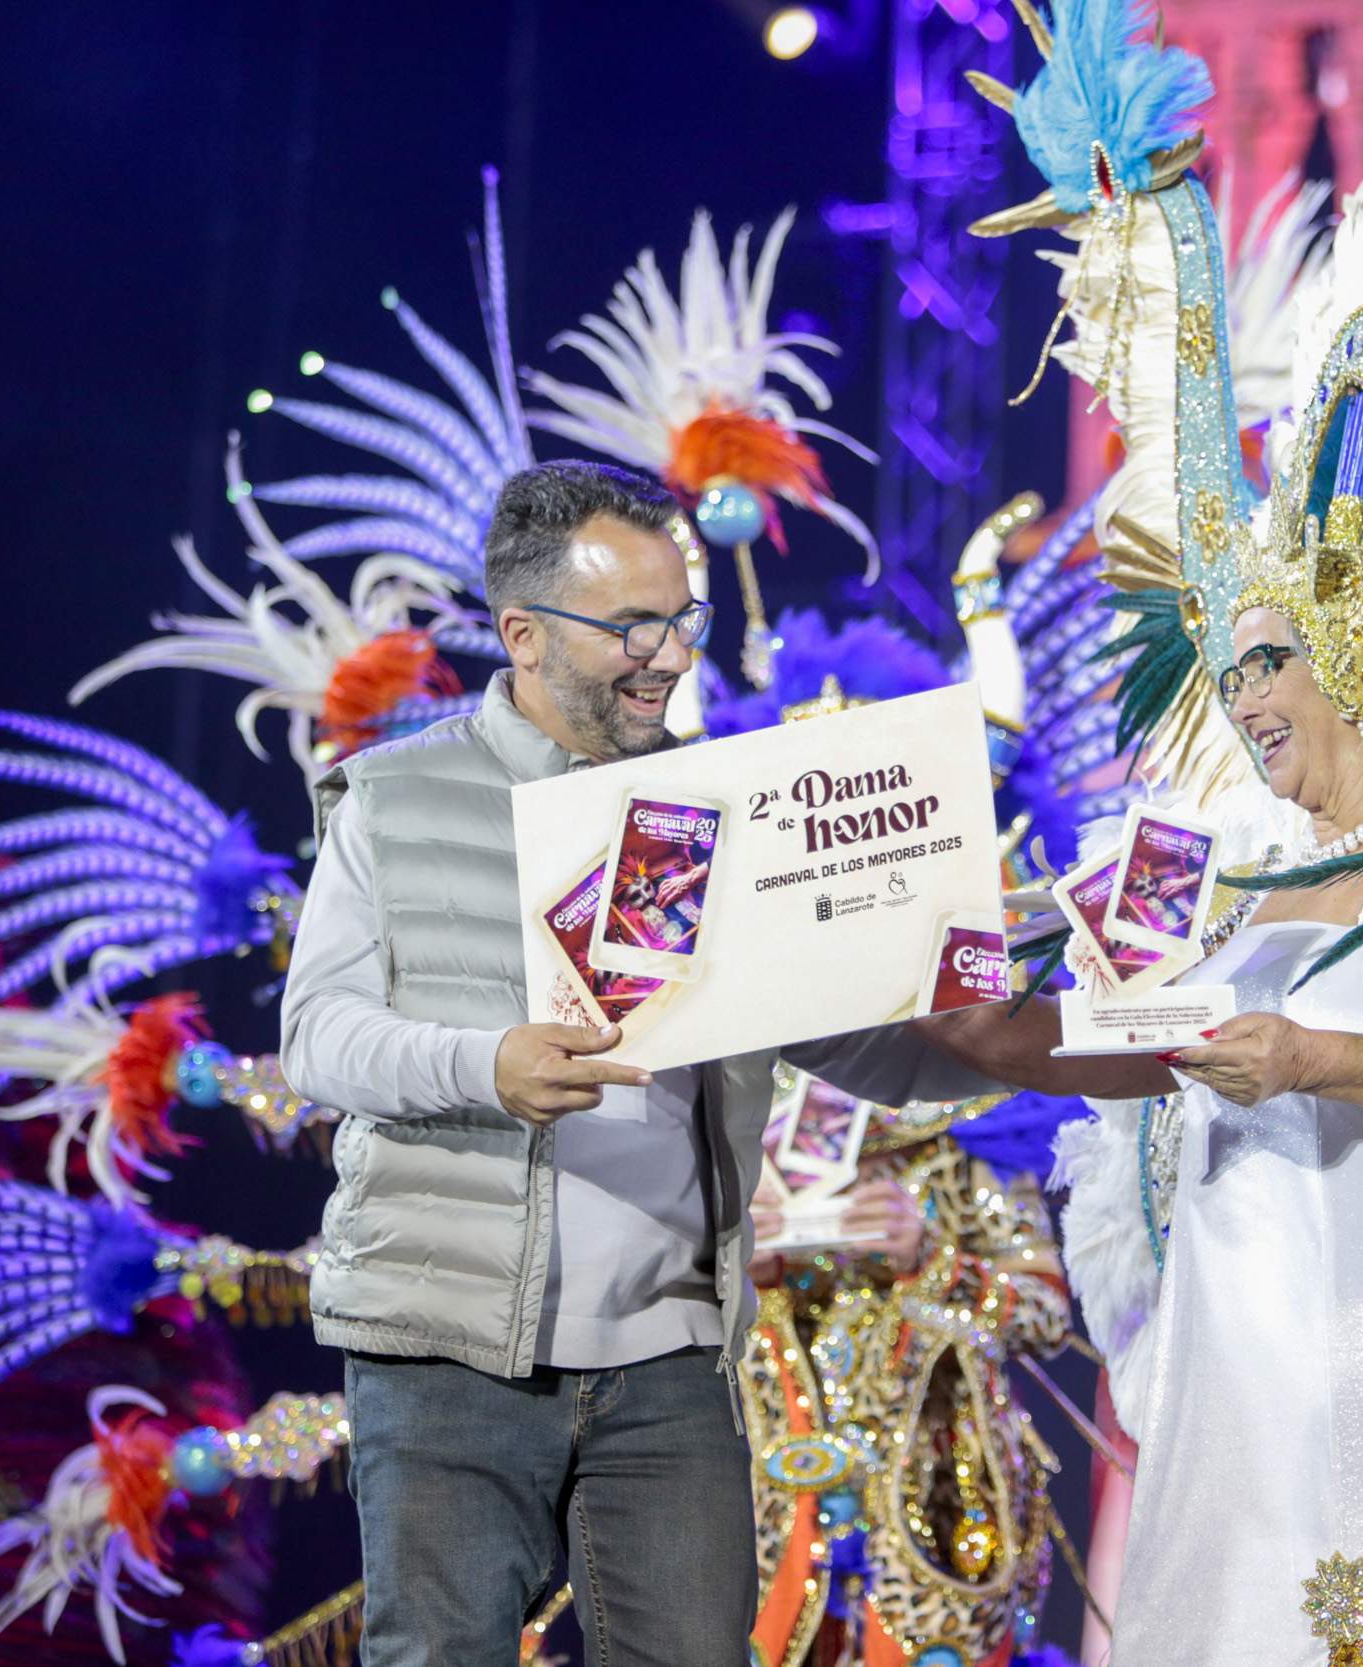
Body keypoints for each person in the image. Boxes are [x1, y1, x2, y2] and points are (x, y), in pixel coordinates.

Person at [278, 459, 994, 1667]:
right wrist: (485, 1061)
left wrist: (976, 996)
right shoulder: (394, 800)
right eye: (633, 626)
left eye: (683, 619)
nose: (668, 653)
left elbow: (859, 1038)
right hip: (450, 1350)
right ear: (522, 632)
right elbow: (318, 1034)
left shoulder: (719, 808)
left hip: (668, 1360)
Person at [916, 604, 1363, 1666]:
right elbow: (1145, 1048)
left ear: (1359, 666)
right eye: (1230, 676)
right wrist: (982, 1028)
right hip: (1253, 1353)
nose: (1239, 702)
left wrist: (1310, 1059)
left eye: (1268, 665)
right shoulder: (1241, 894)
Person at [738, 1070, 1071, 1667]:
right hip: (766, 1496)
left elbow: (1046, 1318)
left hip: (932, 1494)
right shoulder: (739, 1124)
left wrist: (932, 1260)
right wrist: (743, 1272)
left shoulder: (965, 1129)